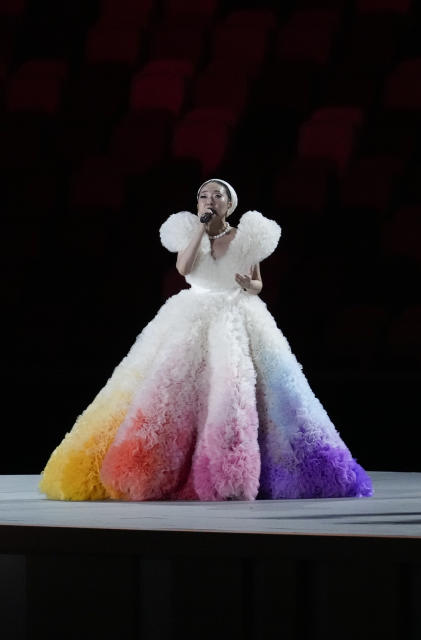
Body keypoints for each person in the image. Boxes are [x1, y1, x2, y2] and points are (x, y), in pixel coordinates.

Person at [39, 179, 373, 501]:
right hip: (191, 314)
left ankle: (241, 471)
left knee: (241, 388)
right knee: (166, 389)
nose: (209, 200)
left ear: (229, 204)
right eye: (203, 196)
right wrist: (200, 230)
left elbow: (258, 283)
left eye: (217, 195)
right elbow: (184, 269)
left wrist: (248, 286)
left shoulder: (246, 238)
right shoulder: (191, 236)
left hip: (236, 314)